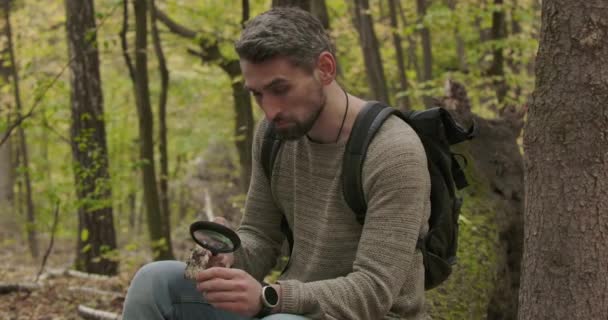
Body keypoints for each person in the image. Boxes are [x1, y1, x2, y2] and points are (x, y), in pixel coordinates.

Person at [122, 7, 430, 320]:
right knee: (155, 281)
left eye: (280, 89)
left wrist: (271, 297)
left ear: (324, 68)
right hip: (286, 309)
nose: (270, 111)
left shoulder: (393, 152)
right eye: (257, 94)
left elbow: (374, 291)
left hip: (367, 315)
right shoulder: (273, 136)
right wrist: (229, 256)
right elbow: (260, 236)